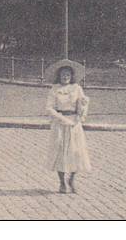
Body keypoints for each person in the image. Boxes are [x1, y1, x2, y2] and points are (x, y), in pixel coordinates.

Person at [45, 59, 92, 194]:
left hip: (74, 124)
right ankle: (62, 183)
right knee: (60, 153)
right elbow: (49, 108)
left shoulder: (77, 88)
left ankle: (72, 179)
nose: (65, 77)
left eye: (68, 75)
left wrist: (83, 106)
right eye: (63, 75)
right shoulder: (54, 89)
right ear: (59, 76)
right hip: (60, 124)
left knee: (76, 152)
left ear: (71, 76)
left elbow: (82, 107)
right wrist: (61, 118)